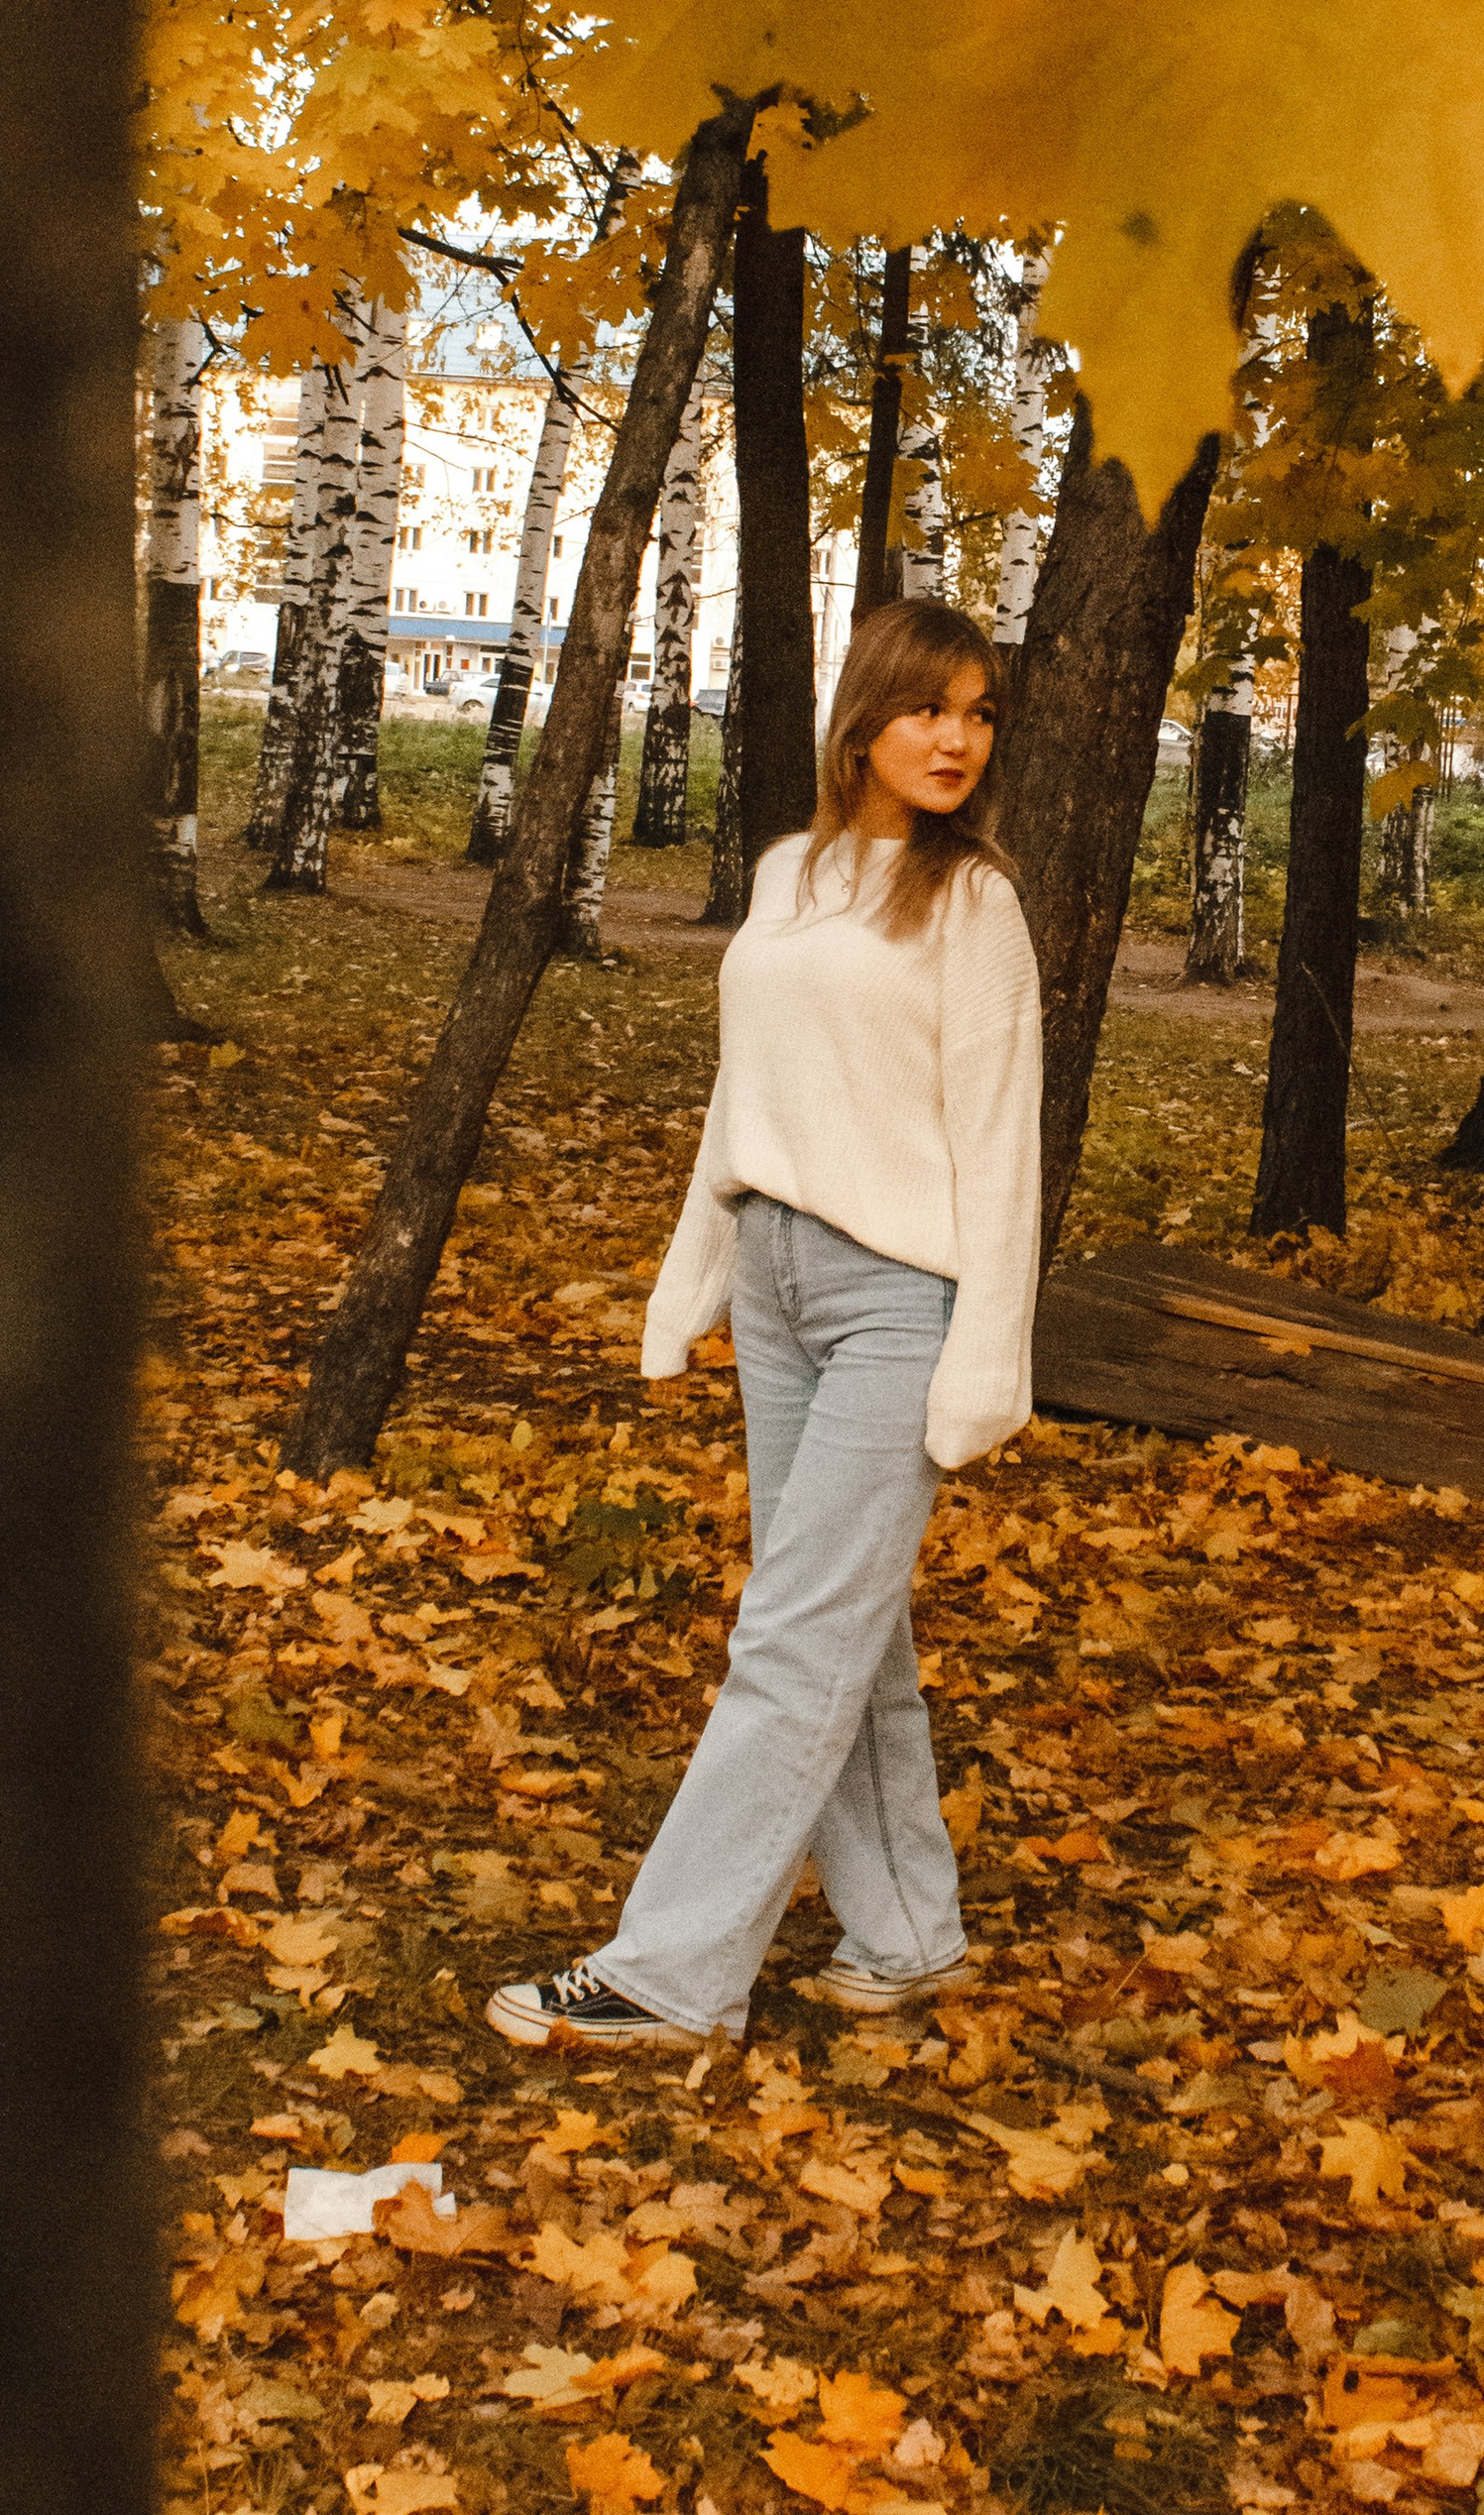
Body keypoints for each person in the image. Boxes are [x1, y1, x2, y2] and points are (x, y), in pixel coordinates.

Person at [488, 596, 1043, 2049]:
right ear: (864, 715)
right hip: (785, 1283)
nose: (957, 738)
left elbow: (1002, 1142)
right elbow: (747, 1100)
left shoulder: (973, 904)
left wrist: (991, 1352)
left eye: (980, 713)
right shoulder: (791, 873)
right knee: (850, 1624)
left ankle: (672, 1972)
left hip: (899, 1299)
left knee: (793, 1631)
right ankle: (911, 1930)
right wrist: (697, 1278)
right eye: (933, 706)